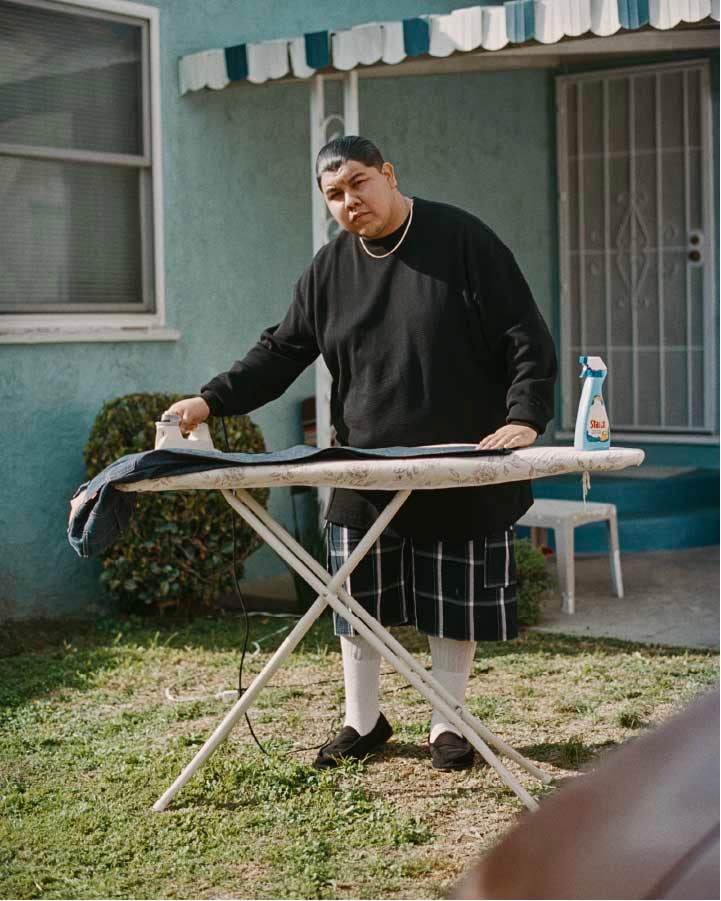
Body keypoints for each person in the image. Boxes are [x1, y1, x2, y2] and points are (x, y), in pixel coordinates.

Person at [167, 136, 557, 771]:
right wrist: (207, 402)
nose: (350, 202)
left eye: (358, 184)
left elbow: (524, 333)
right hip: (362, 460)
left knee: (450, 595)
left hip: (456, 457)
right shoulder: (328, 271)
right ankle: (362, 720)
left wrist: (525, 418)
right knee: (355, 598)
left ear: (389, 174)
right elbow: (280, 352)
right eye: (334, 195)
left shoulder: (463, 240)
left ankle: (447, 723)